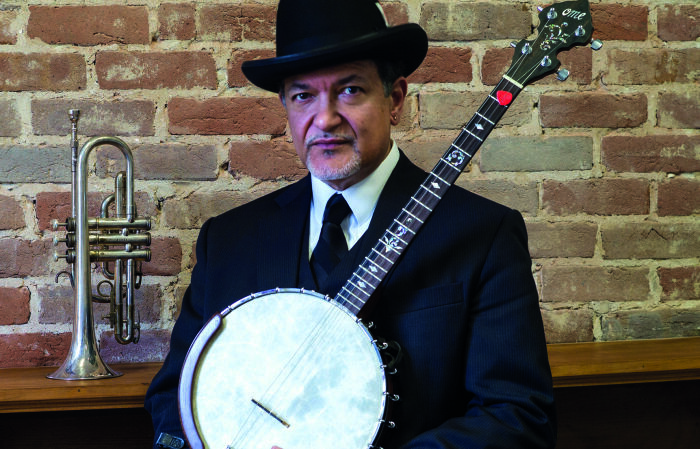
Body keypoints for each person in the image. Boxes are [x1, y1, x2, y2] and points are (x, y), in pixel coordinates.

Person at [145, 0, 557, 448]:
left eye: (350, 91)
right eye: (303, 95)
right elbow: (175, 396)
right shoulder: (228, 241)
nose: (324, 119)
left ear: (395, 99)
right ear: (286, 107)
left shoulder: (485, 234)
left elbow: (516, 417)